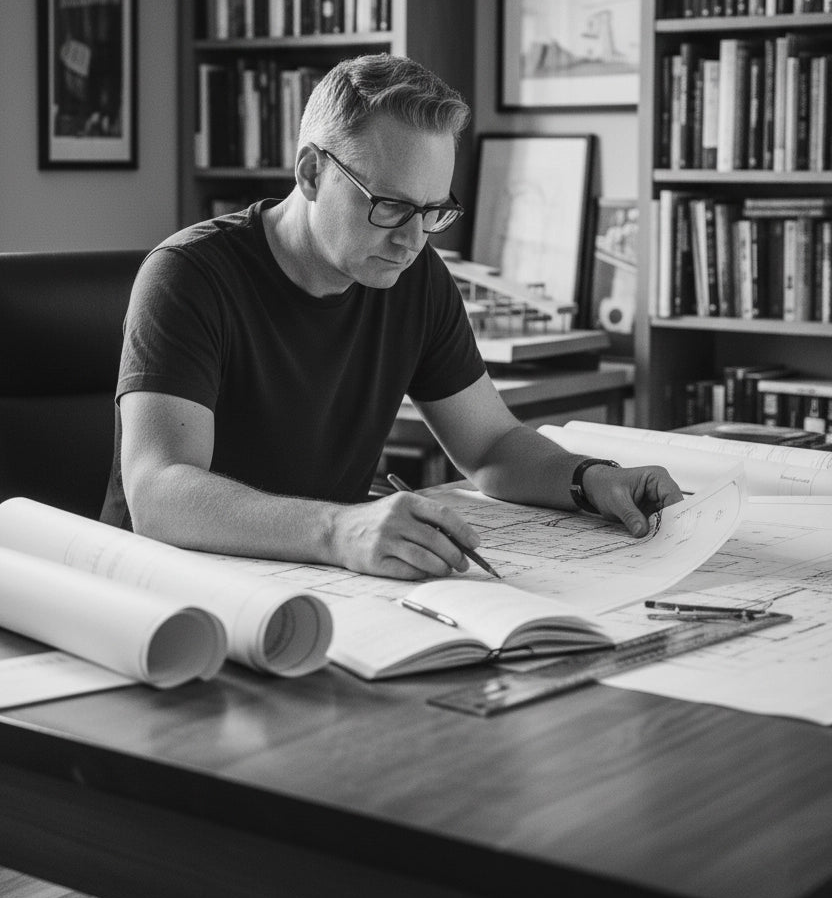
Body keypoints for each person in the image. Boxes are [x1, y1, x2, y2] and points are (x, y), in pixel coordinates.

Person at [102, 54, 682, 579]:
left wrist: (593, 479)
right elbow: (159, 493)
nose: (412, 239)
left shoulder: (413, 275)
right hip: (174, 591)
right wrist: (339, 530)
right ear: (311, 173)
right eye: (392, 206)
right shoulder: (187, 275)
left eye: (433, 211)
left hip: (327, 579)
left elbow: (491, 445)